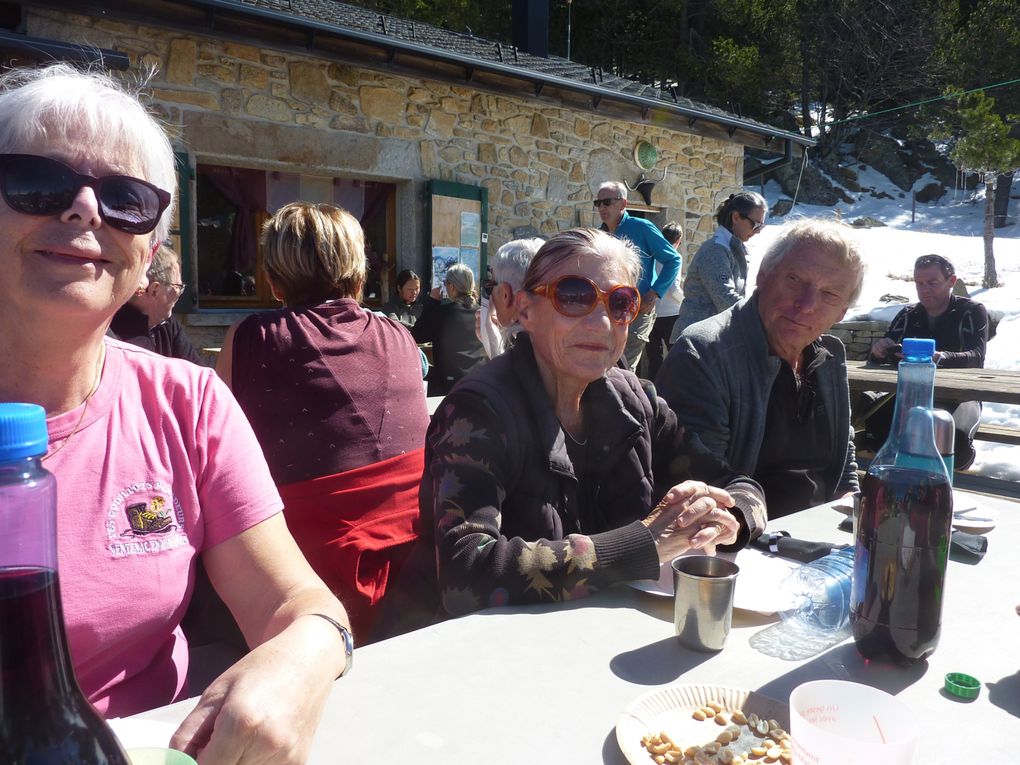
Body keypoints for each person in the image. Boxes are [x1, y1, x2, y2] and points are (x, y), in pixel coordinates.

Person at [0, 64, 350, 763]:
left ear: (150, 250)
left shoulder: (187, 403)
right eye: (37, 180)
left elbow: (305, 606)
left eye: (125, 198)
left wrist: (304, 658)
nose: (82, 211)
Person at [406, 228, 765, 620]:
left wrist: (732, 518)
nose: (601, 322)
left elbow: (738, 483)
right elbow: (466, 574)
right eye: (573, 296)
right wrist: (642, 545)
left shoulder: (637, 400)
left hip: (610, 637)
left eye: (621, 303)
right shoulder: (478, 411)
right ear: (525, 311)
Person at [216, 202, 430, 641]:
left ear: (274, 281)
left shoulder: (252, 340)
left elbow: (216, 451)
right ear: (359, 272)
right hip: (415, 566)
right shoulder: (401, 336)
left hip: (310, 577)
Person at [657, 219, 863, 520]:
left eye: (830, 294)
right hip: (744, 543)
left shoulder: (828, 357)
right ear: (763, 276)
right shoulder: (705, 353)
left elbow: (844, 466)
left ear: (843, 311)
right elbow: (705, 493)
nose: (806, 304)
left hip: (820, 538)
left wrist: (852, 518)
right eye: (794, 280)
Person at [866, 253, 988, 468]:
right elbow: (884, 353)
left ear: (951, 281)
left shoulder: (971, 311)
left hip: (960, 394)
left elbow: (977, 356)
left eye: (932, 282)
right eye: (919, 283)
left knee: (955, 444)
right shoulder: (908, 314)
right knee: (876, 429)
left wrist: (942, 358)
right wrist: (878, 351)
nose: (924, 289)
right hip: (912, 392)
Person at [594, 181, 680, 372]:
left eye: (606, 202)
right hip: (609, 310)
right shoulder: (599, 235)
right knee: (608, 364)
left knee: (623, 367)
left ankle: (625, 400)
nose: (601, 207)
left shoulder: (642, 227)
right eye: (597, 203)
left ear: (623, 204)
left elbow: (673, 260)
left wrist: (655, 292)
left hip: (637, 309)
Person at [670, 191, 767, 343]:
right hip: (694, 342)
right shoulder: (716, 250)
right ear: (736, 217)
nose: (759, 231)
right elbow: (725, 298)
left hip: (712, 339)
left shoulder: (733, 248)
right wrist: (762, 315)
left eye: (762, 225)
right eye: (755, 224)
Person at [109, 244, 206, 365]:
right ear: (154, 290)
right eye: (177, 287)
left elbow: (196, 371)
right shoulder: (111, 330)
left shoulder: (167, 324)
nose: (179, 293)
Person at [412, 262, 486, 395]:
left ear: (452, 286)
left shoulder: (444, 313)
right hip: (478, 381)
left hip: (449, 385)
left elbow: (417, 335)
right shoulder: (481, 313)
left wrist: (432, 302)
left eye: (446, 283)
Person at [476, 237, 543, 358]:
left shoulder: (527, 353)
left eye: (491, 285)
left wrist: (490, 337)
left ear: (505, 295)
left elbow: (507, 375)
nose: (490, 296)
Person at [642, 221, 684, 380]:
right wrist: (685, 302)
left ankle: (653, 395)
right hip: (672, 315)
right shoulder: (674, 256)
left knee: (654, 359)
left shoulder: (652, 254)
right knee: (675, 357)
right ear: (678, 240)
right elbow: (673, 288)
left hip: (652, 313)